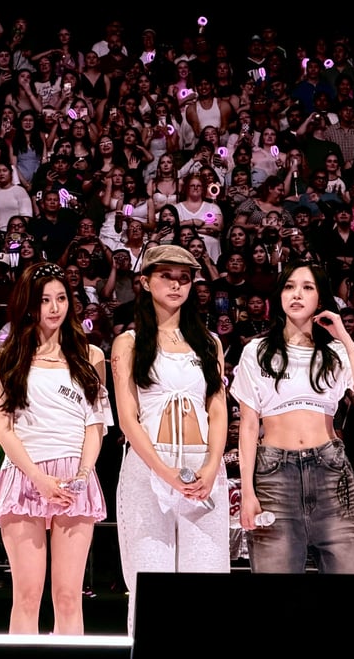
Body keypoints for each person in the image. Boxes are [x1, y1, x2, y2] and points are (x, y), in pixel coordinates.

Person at [0, 261, 112, 634]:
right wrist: (39, 478)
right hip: (25, 475)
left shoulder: (91, 356)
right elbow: (4, 430)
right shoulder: (5, 357)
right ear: (29, 304)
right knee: (27, 596)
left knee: (69, 596)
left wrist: (83, 475)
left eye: (61, 298)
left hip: (76, 478)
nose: (54, 308)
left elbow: (95, 426)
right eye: (44, 300)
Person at [110, 244, 229, 635]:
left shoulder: (209, 342)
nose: (177, 285)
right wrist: (164, 472)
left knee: (207, 576)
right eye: (166, 276)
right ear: (145, 282)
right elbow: (127, 418)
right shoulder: (129, 342)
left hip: (203, 466)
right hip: (149, 466)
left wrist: (211, 467)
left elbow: (218, 409)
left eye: (184, 278)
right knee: (150, 578)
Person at [232, 261, 354, 573]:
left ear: (320, 299)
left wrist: (342, 334)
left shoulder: (335, 351)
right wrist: (247, 492)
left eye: (307, 287)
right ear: (279, 296)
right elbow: (249, 425)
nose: (296, 294)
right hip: (274, 474)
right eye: (289, 286)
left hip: (330, 471)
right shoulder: (256, 350)